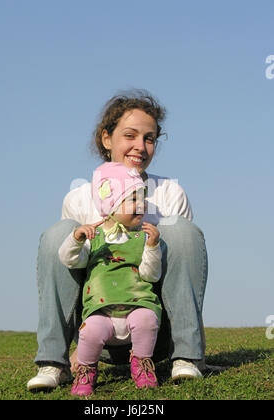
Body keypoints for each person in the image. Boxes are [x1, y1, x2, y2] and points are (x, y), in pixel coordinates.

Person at [27, 90, 208, 392]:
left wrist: (197, 345)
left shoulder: (169, 194)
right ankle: (53, 363)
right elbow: (73, 273)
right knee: (60, 234)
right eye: (130, 135)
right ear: (106, 138)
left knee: (181, 230)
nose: (141, 146)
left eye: (149, 138)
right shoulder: (78, 199)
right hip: (97, 329)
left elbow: (185, 273)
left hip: (152, 328)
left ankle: (186, 357)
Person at [58, 162, 163, 396]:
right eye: (132, 200)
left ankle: (143, 363)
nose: (141, 205)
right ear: (111, 205)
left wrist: (153, 247)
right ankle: (86, 370)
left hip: (137, 304)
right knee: (90, 331)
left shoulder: (143, 238)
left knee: (147, 319)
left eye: (142, 198)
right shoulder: (94, 238)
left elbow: (151, 274)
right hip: (101, 310)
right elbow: (69, 259)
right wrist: (76, 238)